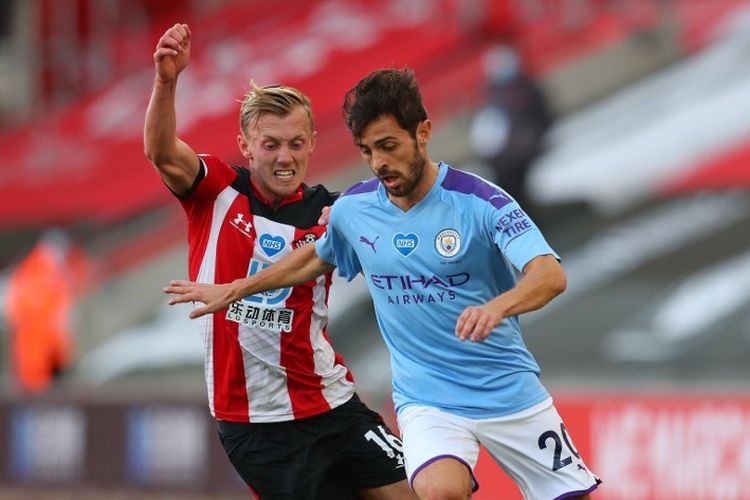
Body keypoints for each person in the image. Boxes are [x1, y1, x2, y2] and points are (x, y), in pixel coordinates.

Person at [165, 67, 601, 499]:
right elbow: (312, 260)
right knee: (436, 492)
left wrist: (497, 307)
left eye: (389, 146)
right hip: (428, 401)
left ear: (423, 133)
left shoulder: (482, 201)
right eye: (368, 150)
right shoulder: (354, 209)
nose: (379, 163)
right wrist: (235, 288)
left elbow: (549, 274)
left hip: (508, 390)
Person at [144, 23, 413, 500]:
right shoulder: (217, 191)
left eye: (295, 143)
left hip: (332, 402)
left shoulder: (334, 211)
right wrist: (166, 82)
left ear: (311, 143)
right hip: (254, 424)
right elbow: (162, 152)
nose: (284, 157)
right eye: (271, 144)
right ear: (246, 147)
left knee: (421, 493)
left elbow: (404, 231)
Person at [468, 43, 553, 212]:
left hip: (525, 147)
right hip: (503, 153)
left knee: (515, 180)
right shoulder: (493, 92)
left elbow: (543, 119)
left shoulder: (527, 89)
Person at [5, 229, 91, 393]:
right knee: (38, 392)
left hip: (51, 348)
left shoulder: (53, 272)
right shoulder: (33, 272)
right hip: (37, 351)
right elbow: (24, 310)